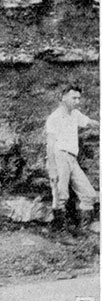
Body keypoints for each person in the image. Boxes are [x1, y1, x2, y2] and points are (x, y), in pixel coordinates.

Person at [46, 85, 98, 237]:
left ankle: (82, 230)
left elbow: (89, 123)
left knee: (89, 194)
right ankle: (60, 233)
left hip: (72, 158)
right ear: (63, 97)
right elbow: (50, 144)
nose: (77, 101)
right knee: (60, 195)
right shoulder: (54, 118)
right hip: (59, 156)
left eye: (79, 98)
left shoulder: (75, 114)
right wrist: (53, 168)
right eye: (74, 98)